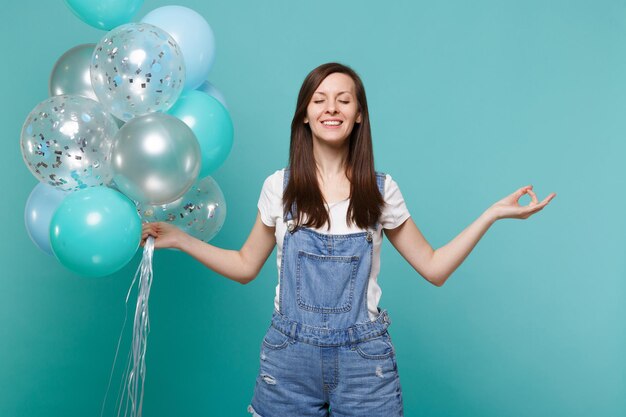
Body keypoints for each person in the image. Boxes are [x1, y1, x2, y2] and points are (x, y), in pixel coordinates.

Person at [141, 62, 556, 417]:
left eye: (344, 99)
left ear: (359, 114)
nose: (331, 108)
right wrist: (182, 240)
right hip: (288, 362)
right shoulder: (278, 188)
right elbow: (247, 265)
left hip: (364, 365)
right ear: (305, 113)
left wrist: (491, 214)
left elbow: (435, 268)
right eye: (320, 99)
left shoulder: (380, 191)